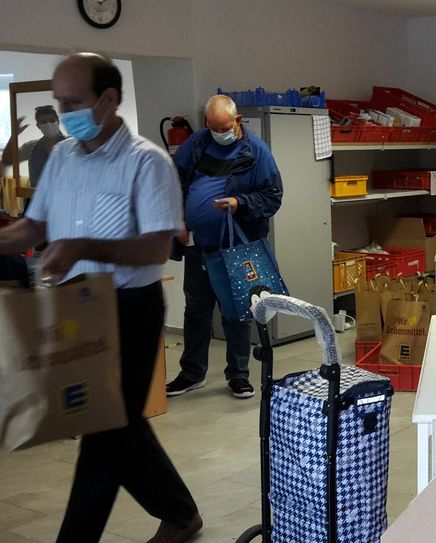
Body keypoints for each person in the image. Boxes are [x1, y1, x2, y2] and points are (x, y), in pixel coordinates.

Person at [0, 52, 201, 543]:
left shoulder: (147, 162)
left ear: (109, 100)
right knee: (118, 423)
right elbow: (37, 224)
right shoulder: (64, 158)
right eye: (57, 102)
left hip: (129, 309)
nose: (61, 113)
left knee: (104, 431)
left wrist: (84, 246)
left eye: (72, 102)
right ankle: (181, 512)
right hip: (73, 308)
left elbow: (158, 245)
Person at [166, 95, 283, 399]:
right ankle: (192, 373)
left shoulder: (256, 152)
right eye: (215, 127)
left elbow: (272, 197)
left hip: (235, 247)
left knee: (236, 311)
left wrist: (238, 202)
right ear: (207, 123)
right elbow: (174, 182)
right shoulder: (196, 144)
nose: (221, 132)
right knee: (196, 310)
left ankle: (239, 375)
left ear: (237, 120)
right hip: (197, 245)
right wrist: (178, 218)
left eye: (226, 126)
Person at [1, 105, 67, 188]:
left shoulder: (71, 144)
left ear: (58, 122)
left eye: (52, 120)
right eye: (44, 122)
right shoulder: (31, 147)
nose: (49, 124)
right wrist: (14, 135)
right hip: (37, 197)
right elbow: (6, 160)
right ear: (38, 126)